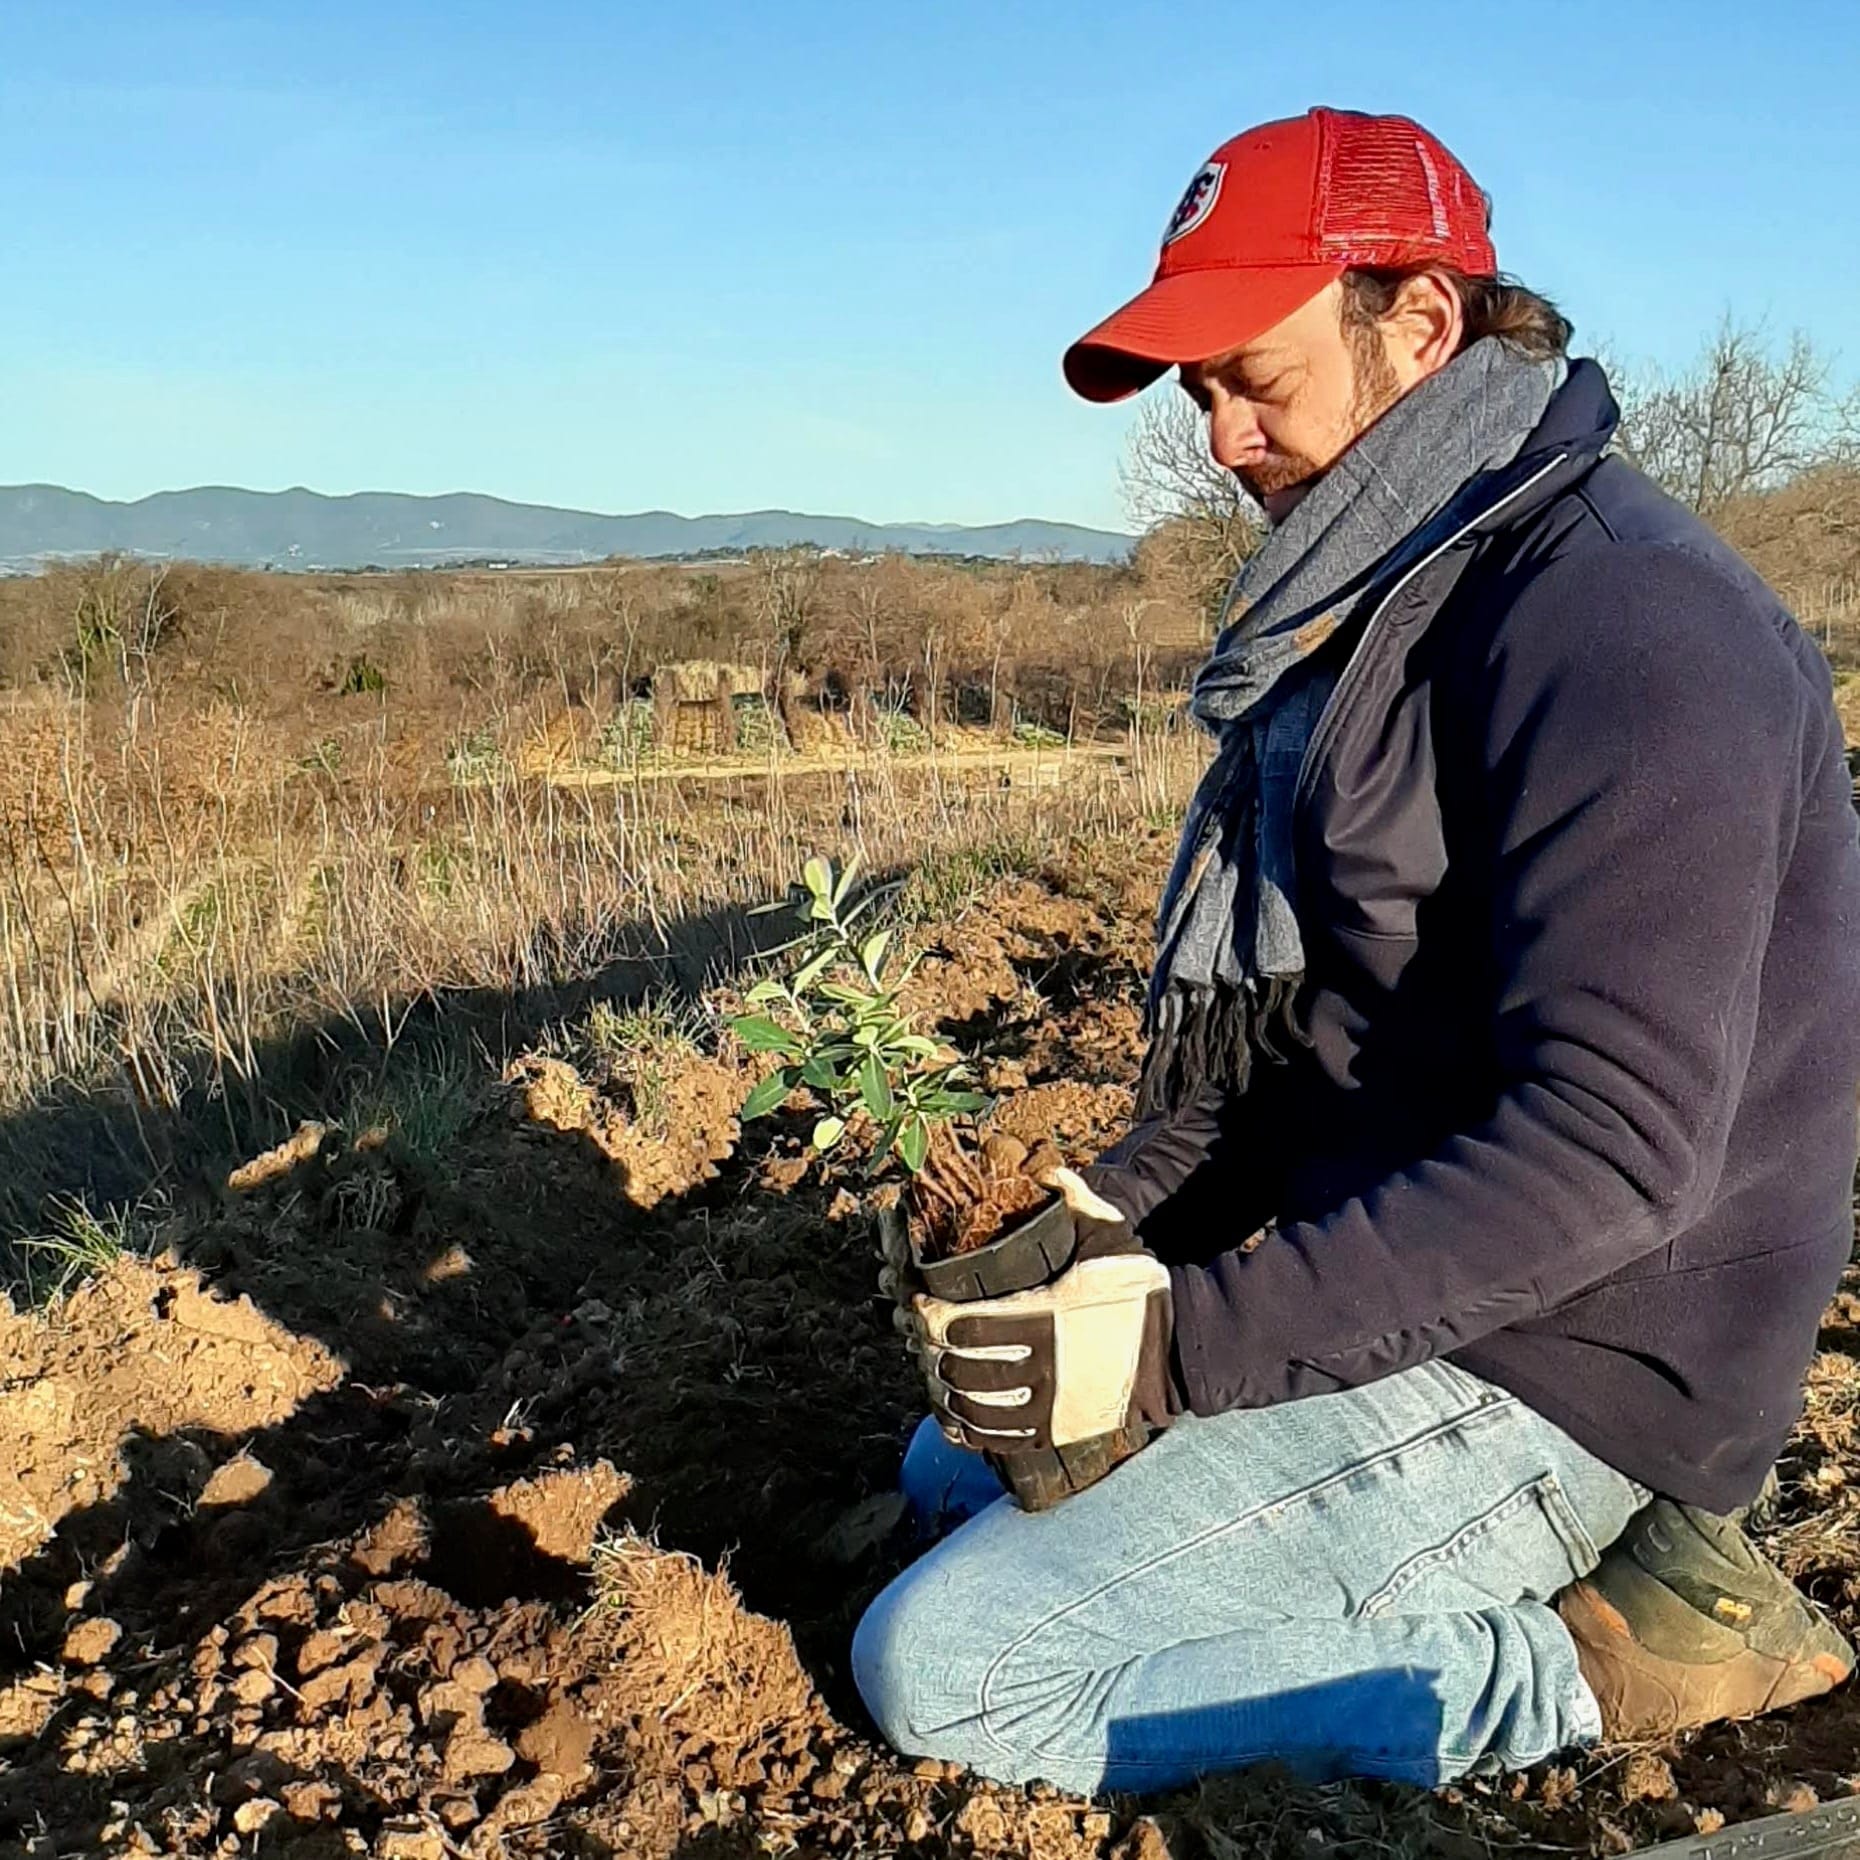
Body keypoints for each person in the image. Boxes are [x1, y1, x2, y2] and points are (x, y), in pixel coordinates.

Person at [851, 106, 1860, 1796]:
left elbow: (1611, 1157)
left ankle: (1597, 1656)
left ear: (1423, 324)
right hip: (1422, 1274)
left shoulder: (1626, 630)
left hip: (1586, 1359)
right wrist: (1102, 1224)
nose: (1225, 438)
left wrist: (1170, 1346)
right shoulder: (1383, 613)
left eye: (1256, 375)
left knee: (952, 1667)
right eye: (1198, 396)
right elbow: (1318, 1041)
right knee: (955, 1466)